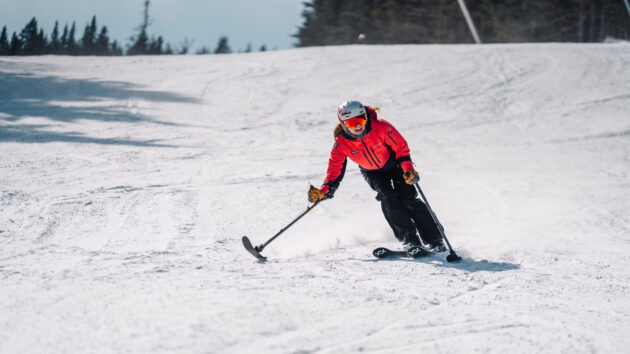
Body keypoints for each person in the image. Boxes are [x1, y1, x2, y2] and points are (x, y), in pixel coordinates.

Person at [308, 100, 446, 252]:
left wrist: (408, 169)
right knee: (387, 197)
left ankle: (435, 239)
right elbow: (334, 171)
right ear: (344, 124)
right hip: (372, 172)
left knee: (407, 198)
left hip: (395, 164)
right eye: (353, 123)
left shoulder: (381, 127)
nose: (358, 125)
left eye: (361, 119)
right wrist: (324, 191)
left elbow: (401, 147)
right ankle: (409, 240)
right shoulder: (341, 144)